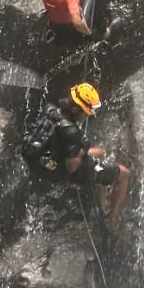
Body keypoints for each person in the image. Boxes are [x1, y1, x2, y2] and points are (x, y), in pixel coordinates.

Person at [21, 82, 132, 232]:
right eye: (85, 112)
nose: (86, 115)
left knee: (100, 152)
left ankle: (103, 199)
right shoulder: (71, 132)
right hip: (61, 169)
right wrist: (82, 149)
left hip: (45, 156)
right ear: (76, 109)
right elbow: (72, 166)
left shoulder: (51, 109)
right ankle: (112, 222)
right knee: (124, 174)